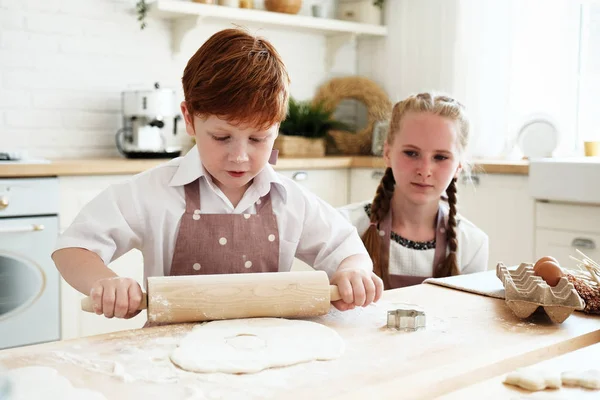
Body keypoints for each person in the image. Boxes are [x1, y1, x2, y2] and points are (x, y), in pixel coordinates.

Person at [52, 28, 383, 322]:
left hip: (267, 353)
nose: (239, 156)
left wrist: (353, 272)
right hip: (170, 364)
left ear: (277, 127)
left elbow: (346, 248)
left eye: (258, 139)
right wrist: (105, 283)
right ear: (190, 119)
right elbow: (73, 248)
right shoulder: (154, 191)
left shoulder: (290, 201)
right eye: (222, 137)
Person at [339, 92, 489, 289]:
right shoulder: (344, 226)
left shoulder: (473, 244)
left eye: (441, 157)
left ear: (459, 165)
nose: (425, 171)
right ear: (387, 153)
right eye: (411, 153)